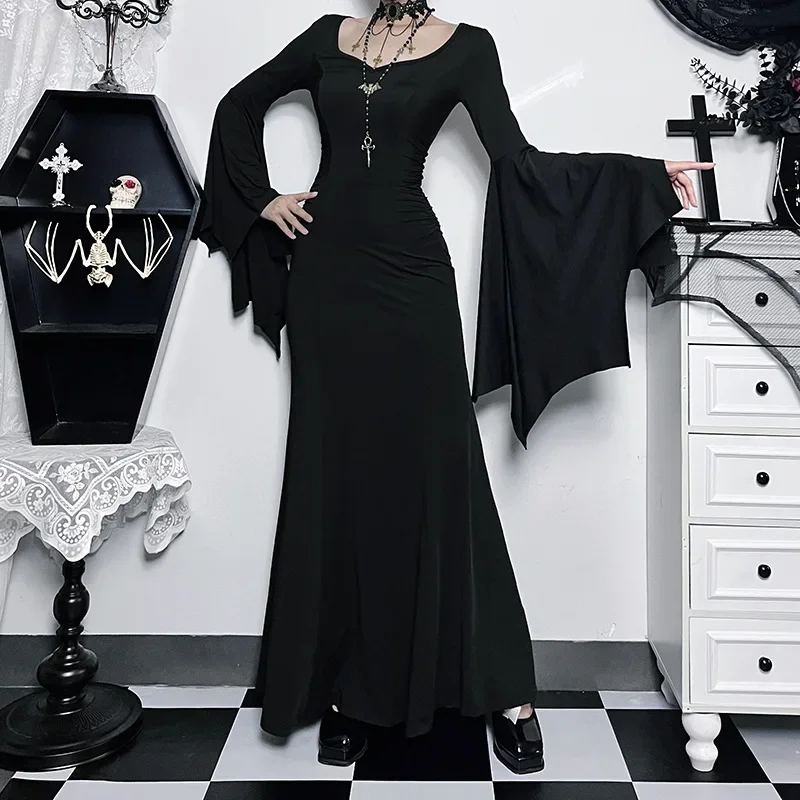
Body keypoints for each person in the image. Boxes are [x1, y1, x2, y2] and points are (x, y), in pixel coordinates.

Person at [200, 0, 710, 775]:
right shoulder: (327, 36)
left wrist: (637, 178)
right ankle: (350, 690)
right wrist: (263, 199)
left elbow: (520, 162)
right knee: (339, 476)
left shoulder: (467, 47)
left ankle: (506, 689)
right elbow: (237, 105)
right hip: (327, 280)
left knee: (445, 471)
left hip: (411, 277)